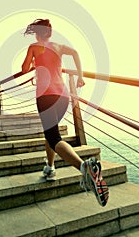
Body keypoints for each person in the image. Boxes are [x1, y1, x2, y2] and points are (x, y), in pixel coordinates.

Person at [21, 18, 109, 207]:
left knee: (53, 136)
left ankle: (84, 168)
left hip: (45, 96)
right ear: (50, 33)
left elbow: (24, 68)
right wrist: (80, 76)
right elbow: (76, 53)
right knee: (50, 133)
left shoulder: (34, 47)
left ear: (37, 33)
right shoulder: (59, 46)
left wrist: (35, 66)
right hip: (63, 96)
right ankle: (50, 167)